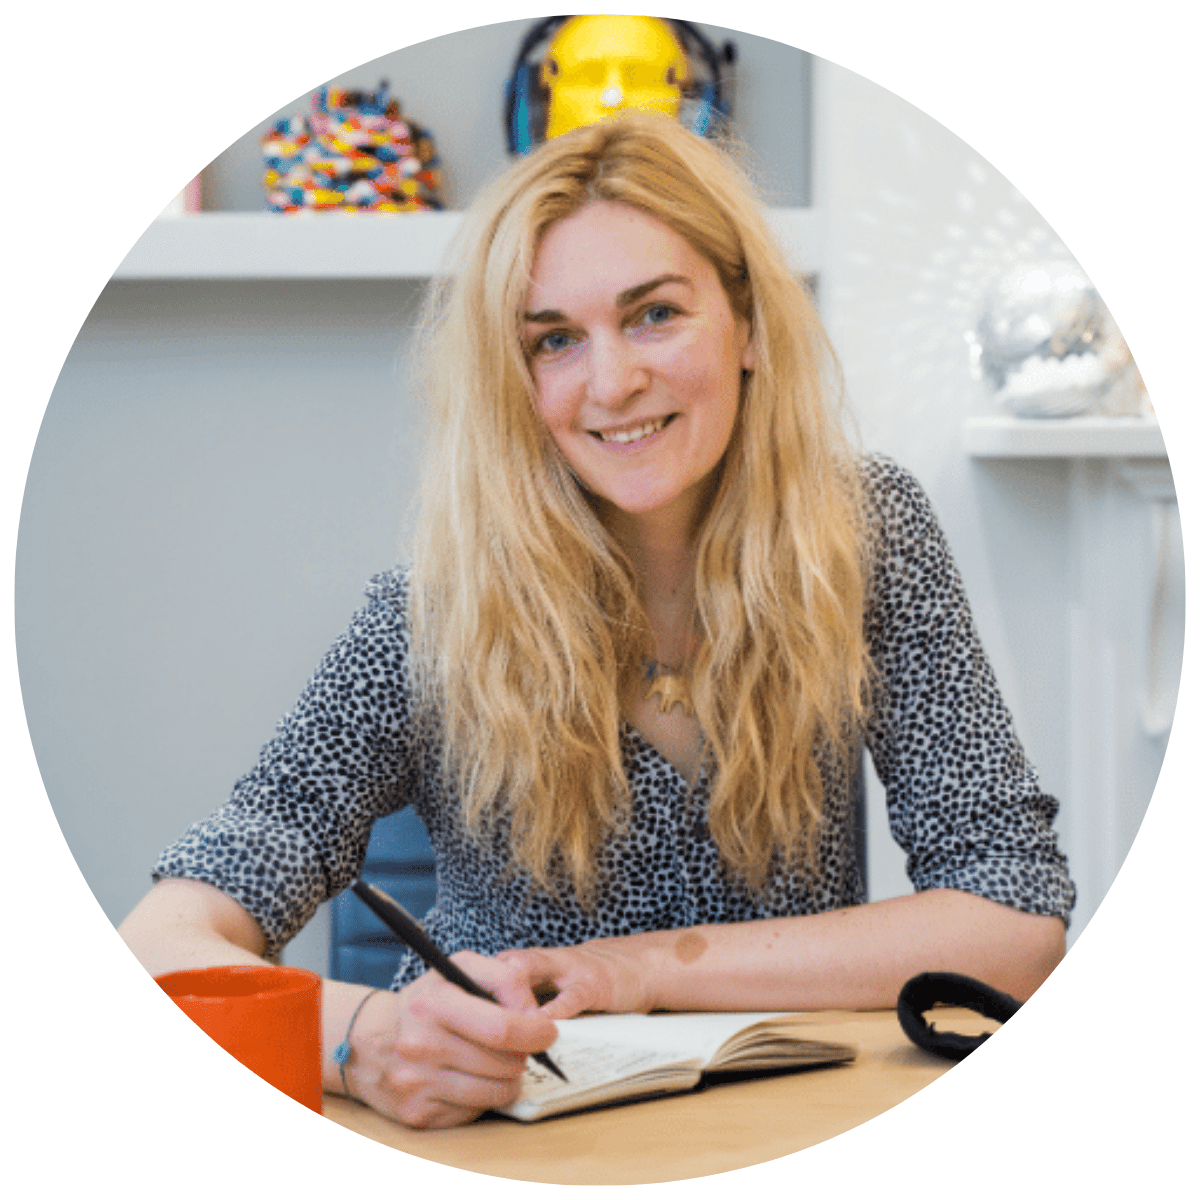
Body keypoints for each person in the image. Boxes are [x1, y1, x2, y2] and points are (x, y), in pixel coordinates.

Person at [119, 109, 1075, 1131]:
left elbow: (1014, 919)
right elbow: (160, 942)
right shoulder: (436, 610)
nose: (612, 381)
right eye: (556, 341)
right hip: (505, 1148)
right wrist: (364, 1042)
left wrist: (632, 971)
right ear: (513, 378)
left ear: (747, 323)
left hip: (787, 1137)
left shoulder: (863, 535)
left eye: (655, 313)